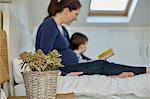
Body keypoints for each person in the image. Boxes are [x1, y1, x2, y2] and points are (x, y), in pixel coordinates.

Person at [35, 0, 150, 77]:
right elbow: (43, 55)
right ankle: (144, 70)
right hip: (67, 68)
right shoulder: (49, 24)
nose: (76, 18)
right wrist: (63, 74)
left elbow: (72, 51)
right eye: (76, 14)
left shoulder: (62, 30)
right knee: (102, 66)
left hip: (74, 64)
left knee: (101, 63)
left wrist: (93, 61)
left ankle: (117, 73)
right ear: (66, 10)